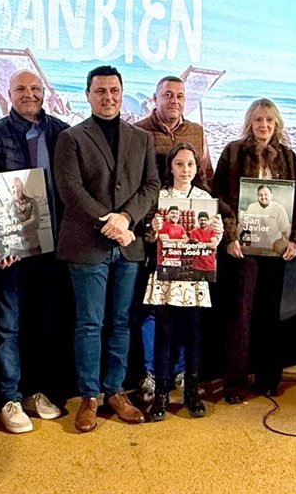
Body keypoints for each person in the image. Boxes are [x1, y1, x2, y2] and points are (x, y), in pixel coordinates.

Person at [54, 65, 160, 432]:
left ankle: (115, 391)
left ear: (122, 92)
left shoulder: (141, 138)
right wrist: (109, 221)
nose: (108, 97)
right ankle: (89, 397)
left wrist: (126, 218)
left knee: (121, 322)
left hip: (129, 245)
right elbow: (70, 190)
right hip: (87, 245)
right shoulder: (70, 138)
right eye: (100, 91)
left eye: (114, 90)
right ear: (88, 95)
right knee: (89, 323)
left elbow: (151, 186)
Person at [0, 68, 70, 433]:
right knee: (7, 325)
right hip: (10, 251)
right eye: (20, 89)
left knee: (44, 323)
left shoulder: (62, 132)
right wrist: (0, 242)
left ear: (44, 92)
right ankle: (8, 397)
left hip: (52, 247)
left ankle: (35, 391)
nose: (29, 94)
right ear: (9, 93)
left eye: (35, 88)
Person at [213, 98, 296, 403]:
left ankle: (268, 378)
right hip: (242, 249)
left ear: (276, 123)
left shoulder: (288, 157)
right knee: (239, 315)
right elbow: (220, 199)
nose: (263, 125)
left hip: (276, 248)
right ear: (249, 122)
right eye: (258, 119)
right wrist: (230, 236)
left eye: (269, 120)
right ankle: (234, 384)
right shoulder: (232, 152)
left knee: (269, 313)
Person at [134, 75, 213, 403]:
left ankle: (181, 371)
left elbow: (206, 178)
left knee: (187, 309)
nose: (174, 100)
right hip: (154, 240)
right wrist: (149, 227)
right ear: (155, 98)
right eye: (167, 95)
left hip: (191, 246)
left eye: (180, 95)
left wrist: (210, 220)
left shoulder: (197, 131)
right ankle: (153, 373)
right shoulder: (139, 131)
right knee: (154, 311)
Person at [142, 142, 223, 420]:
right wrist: (153, 229)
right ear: (171, 167)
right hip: (167, 271)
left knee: (193, 333)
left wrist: (218, 232)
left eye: (190, 164)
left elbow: (212, 241)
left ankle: (191, 392)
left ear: (197, 168)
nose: (185, 169)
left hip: (194, 274)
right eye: (179, 164)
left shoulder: (204, 198)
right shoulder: (160, 196)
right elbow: (149, 238)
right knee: (163, 332)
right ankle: (161, 394)